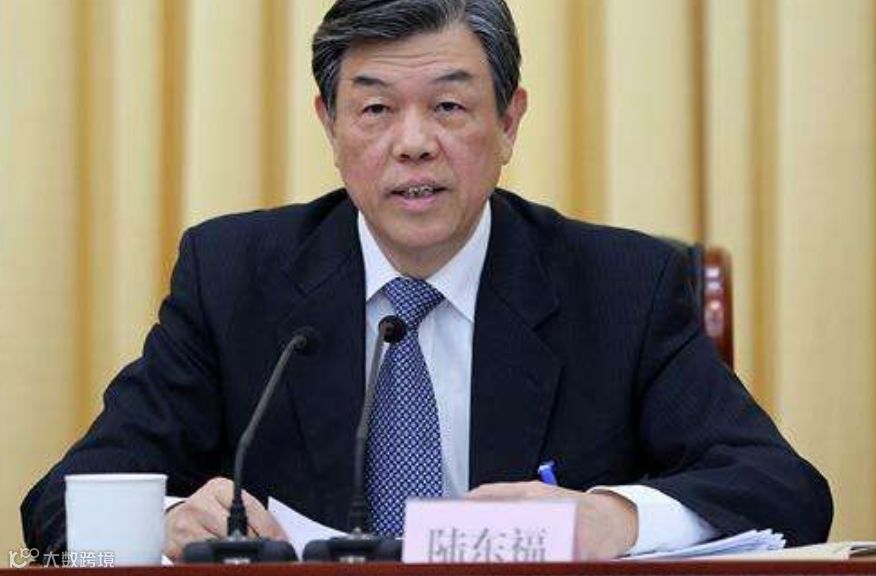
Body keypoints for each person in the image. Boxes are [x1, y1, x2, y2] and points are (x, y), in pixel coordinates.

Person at [22, 0, 832, 562]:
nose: (413, 144)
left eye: (449, 107)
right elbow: (59, 503)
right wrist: (168, 519)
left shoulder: (620, 287)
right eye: (375, 110)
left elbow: (785, 492)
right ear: (330, 126)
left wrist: (612, 518)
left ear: (508, 122)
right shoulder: (235, 277)